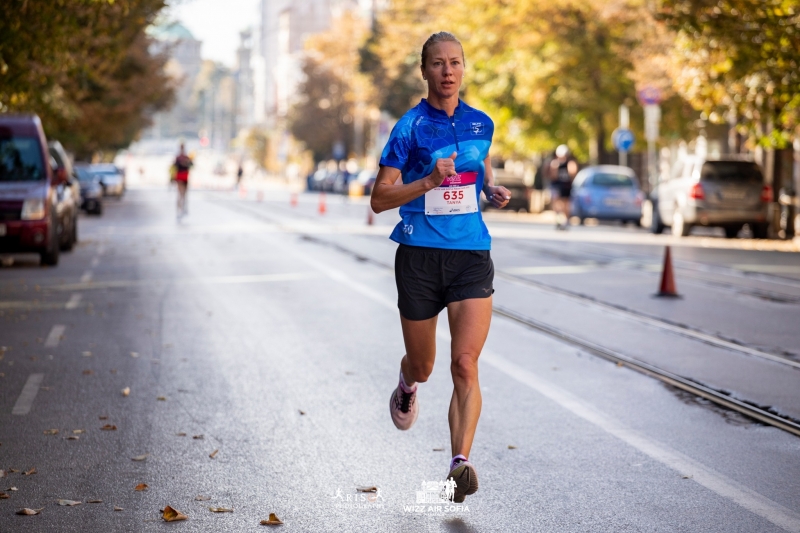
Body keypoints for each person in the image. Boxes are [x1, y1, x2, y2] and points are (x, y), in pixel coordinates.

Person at [370, 31, 511, 504]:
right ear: (424, 70)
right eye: (437, 63)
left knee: (465, 363)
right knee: (427, 366)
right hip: (419, 256)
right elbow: (379, 197)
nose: (447, 71)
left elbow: (478, 166)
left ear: (464, 69)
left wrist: (489, 189)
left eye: (455, 63)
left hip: (471, 252)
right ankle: (407, 383)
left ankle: (459, 464)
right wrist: (428, 179)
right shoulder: (408, 128)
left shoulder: (481, 123)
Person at [549, 144, 578, 229]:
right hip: (557, 185)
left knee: (566, 204)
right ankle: (558, 219)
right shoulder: (554, 163)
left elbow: (573, 173)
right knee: (556, 202)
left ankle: (566, 220)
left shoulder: (570, 163)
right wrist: (555, 168)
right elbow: (553, 176)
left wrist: (570, 168)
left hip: (566, 186)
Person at [174, 144, 193, 218]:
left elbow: (175, 166)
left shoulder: (181, 157)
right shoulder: (184, 157)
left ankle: (182, 208)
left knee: (182, 194)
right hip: (182, 177)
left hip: (183, 177)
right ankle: (181, 208)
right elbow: (191, 165)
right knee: (182, 194)